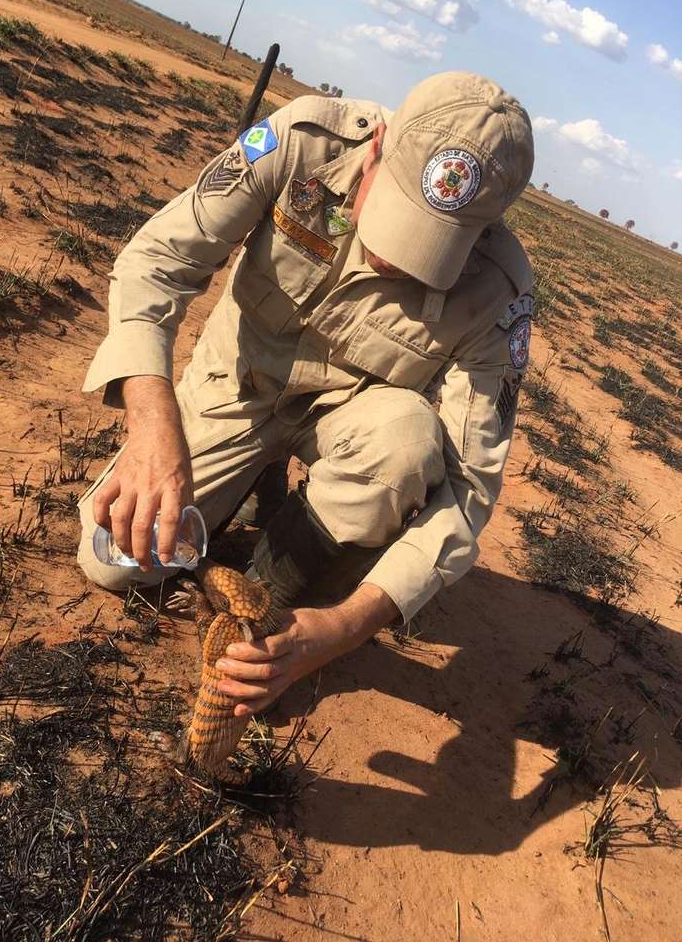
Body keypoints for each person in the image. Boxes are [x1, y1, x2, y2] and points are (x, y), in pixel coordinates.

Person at [76, 70, 535, 720]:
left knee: (405, 443)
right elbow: (156, 261)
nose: (396, 262)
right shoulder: (302, 141)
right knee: (113, 562)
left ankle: (267, 598)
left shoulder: (499, 291)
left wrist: (342, 628)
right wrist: (154, 427)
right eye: (398, 215)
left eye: (434, 248)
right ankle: (248, 472)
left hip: (348, 425)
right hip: (236, 382)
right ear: (378, 145)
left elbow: (470, 490)